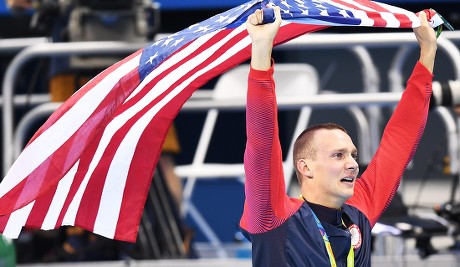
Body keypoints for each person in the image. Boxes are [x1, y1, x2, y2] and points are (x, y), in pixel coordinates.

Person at [240, 6, 437, 266]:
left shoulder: (360, 210)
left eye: (353, 155)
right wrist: (262, 50)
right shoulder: (273, 216)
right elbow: (261, 143)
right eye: (338, 155)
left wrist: (428, 53)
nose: (353, 164)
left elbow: (401, 139)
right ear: (305, 167)